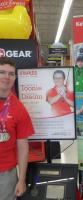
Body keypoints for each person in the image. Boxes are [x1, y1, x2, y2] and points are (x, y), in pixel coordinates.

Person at [0, 57, 34, 200]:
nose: (6, 77)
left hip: (5, 174)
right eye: (2, 72)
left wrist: (21, 180)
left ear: (15, 77)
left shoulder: (19, 109)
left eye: (11, 73)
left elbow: (22, 146)